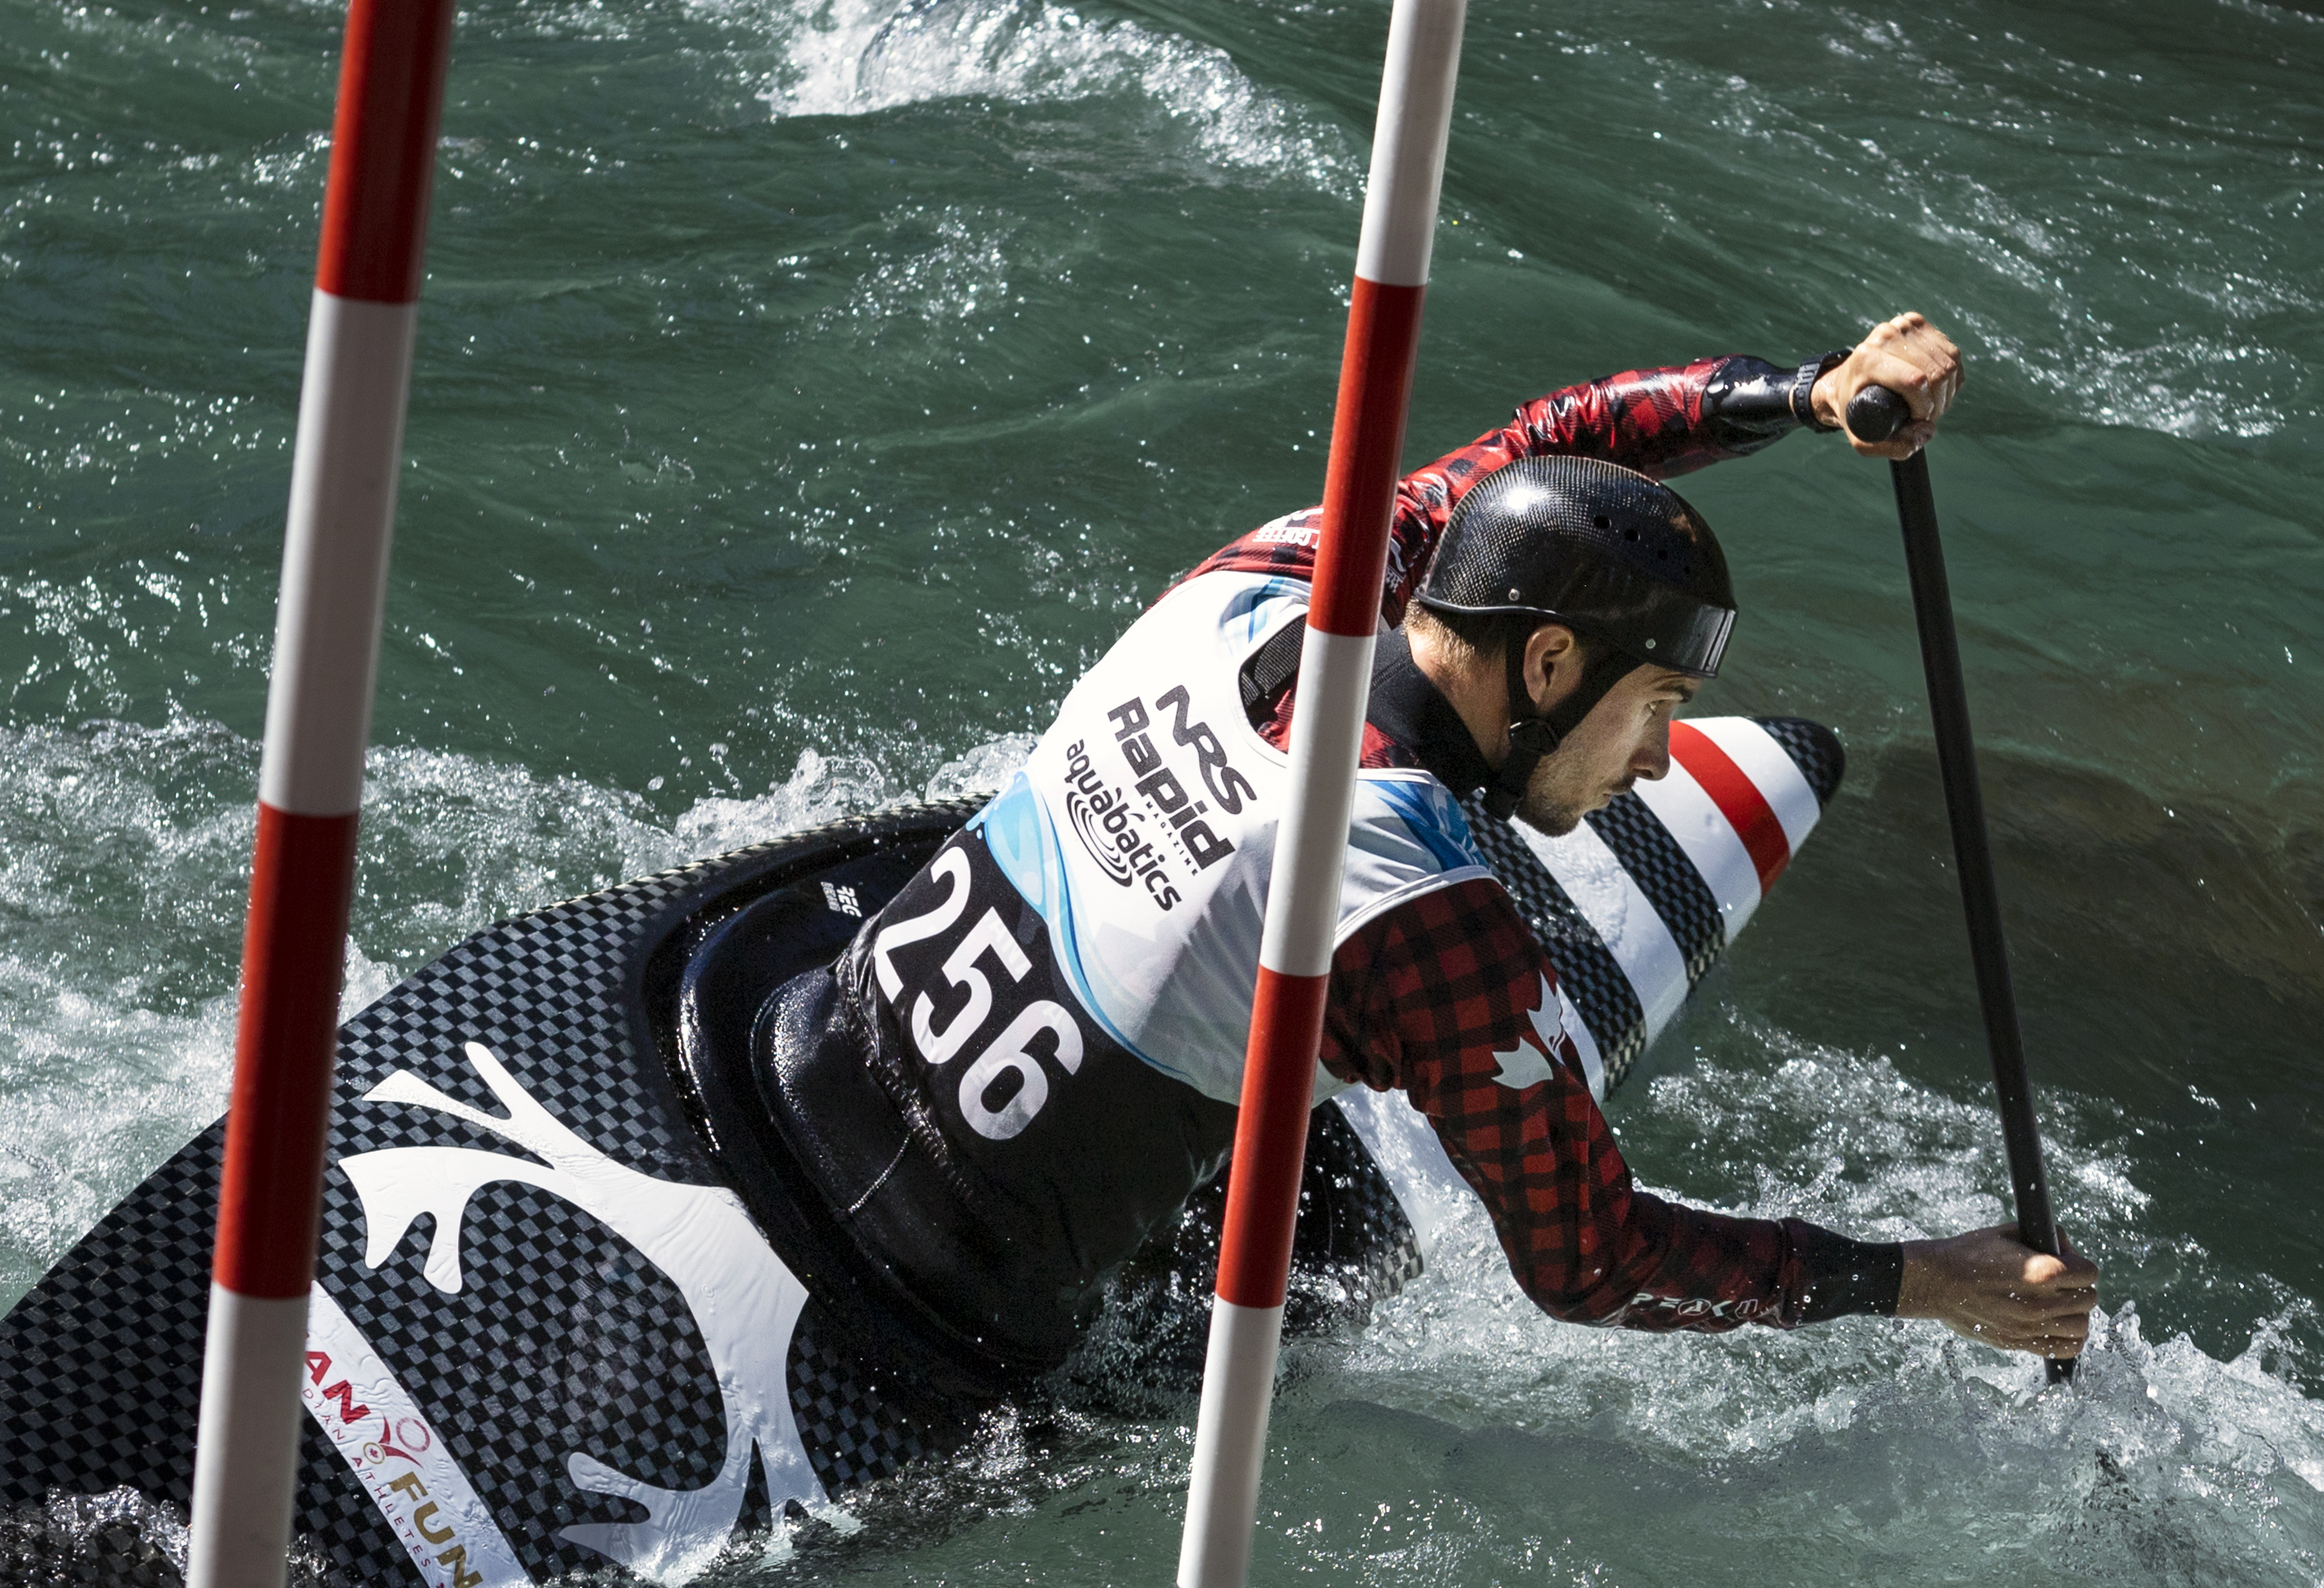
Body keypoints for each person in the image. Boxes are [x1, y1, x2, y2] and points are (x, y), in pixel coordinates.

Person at [721, 313, 2099, 1404]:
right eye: (1656, 710)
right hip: (949, 1306)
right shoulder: (1423, 915)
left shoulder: (1277, 575)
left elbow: (1550, 444)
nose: (1661, 765)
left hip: (801, 1052)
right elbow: (1594, 1263)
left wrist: (1805, 392)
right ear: (1549, 660)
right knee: (1355, 1191)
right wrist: (1929, 1283)